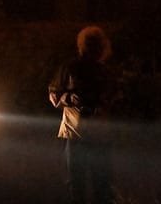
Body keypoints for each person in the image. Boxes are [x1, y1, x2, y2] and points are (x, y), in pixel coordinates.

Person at [48, 26, 116, 204]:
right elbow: (54, 94)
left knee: (83, 183)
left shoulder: (101, 71)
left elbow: (54, 94)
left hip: (84, 133)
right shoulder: (74, 68)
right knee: (94, 183)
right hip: (86, 133)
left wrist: (68, 99)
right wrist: (69, 98)